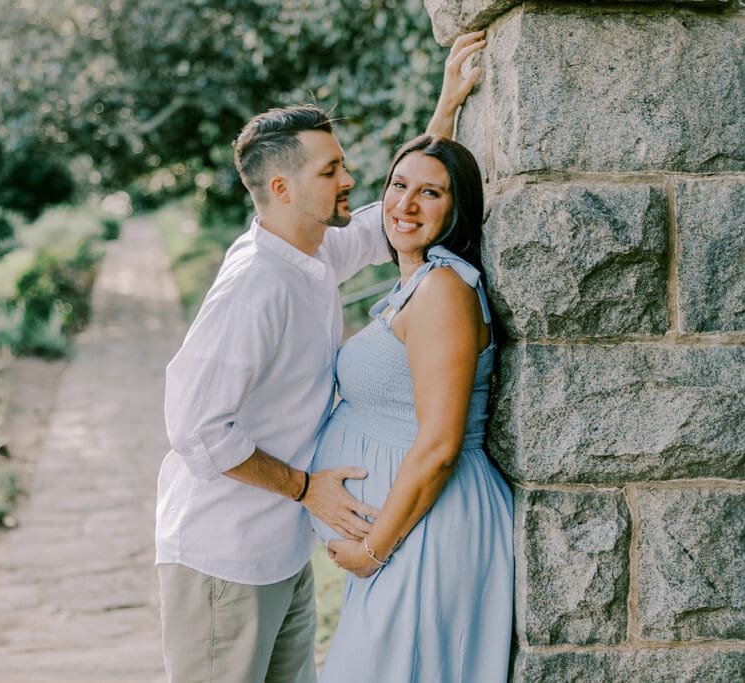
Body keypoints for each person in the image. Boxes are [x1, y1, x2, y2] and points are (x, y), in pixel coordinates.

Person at [154, 32, 488, 683]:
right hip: (225, 556)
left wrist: (444, 114)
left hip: (280, 552)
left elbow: (392, 215)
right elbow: (195, 429)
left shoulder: (309, 253)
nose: (351, 178)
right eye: (330, 170)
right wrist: (308, 487)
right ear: (282, 186)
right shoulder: (255, 286)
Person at [310, 133, 514, 682]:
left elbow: (441, 445)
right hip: (407, 531)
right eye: (399, 186)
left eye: (430, 193)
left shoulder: (444, 290)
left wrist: (373, 549)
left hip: (424, 531)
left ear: (457, 209)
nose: (405, 204)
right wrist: (445, 107)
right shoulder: (419, 279)